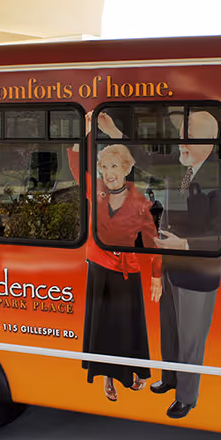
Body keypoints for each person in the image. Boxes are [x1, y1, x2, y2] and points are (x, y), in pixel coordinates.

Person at [96, 109, 221, 419]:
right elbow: (145, 160)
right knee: (170, 330)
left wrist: (184, 244)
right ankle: (170, 379)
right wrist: (116, 134)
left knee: (190, 337)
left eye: (188, 137)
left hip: (198, 271)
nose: (181, 142)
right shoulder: (180, 168)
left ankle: (187, 396)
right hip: (171, 265)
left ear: (207, 140)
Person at [68, 127, 162, 402]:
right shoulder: (95, 190)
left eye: (115, 166)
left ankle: (136, 370)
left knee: (127, 326)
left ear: (125, 169)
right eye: (105, 166)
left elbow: (152, 241)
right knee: (105, 328)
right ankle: (109, 377)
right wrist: (84, 131)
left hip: (125, 271)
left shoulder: (141, 202)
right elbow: (75, 162)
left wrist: (156, 276)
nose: (109, 172)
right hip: (98, 267)